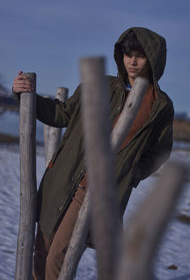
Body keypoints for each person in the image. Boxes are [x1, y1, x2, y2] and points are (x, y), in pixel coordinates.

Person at [12, 27, 174, 279]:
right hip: (63, 178)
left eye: (139, 56)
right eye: (128, 54)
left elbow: (160, 151)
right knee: (41, 250)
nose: (132, 61)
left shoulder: (160, 105)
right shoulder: (100, 85)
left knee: (59, 257)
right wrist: (26, 94)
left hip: (96, 192)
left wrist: (132, 173)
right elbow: (61, 113)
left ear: (153, 58)